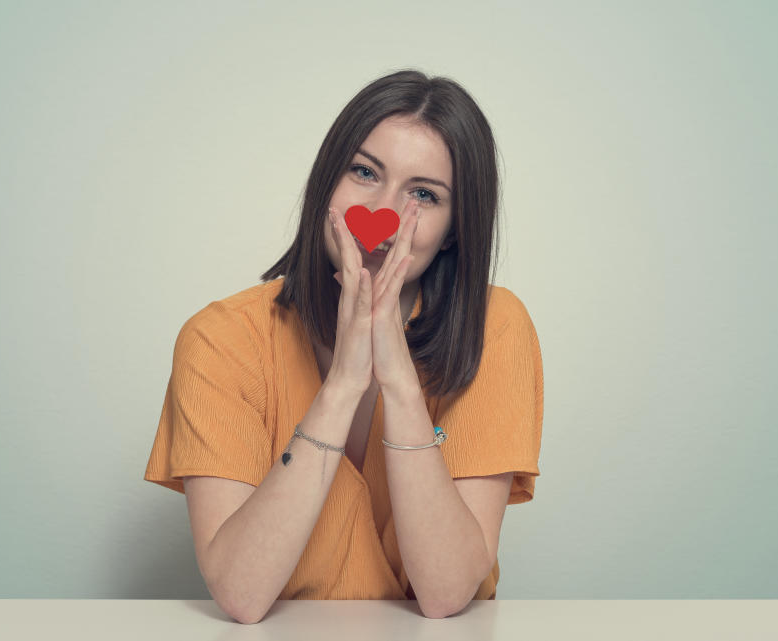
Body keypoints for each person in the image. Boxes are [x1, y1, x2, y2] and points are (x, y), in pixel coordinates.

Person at [143, 68, 544, 623]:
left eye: (424, 194)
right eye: (364, 172)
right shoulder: (218, 340)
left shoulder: (495, 327)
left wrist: (400, 386)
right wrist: (343, 388)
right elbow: (240, 593)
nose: (382, 214)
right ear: (327, 181)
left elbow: (447, 592)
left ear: (454, 229)